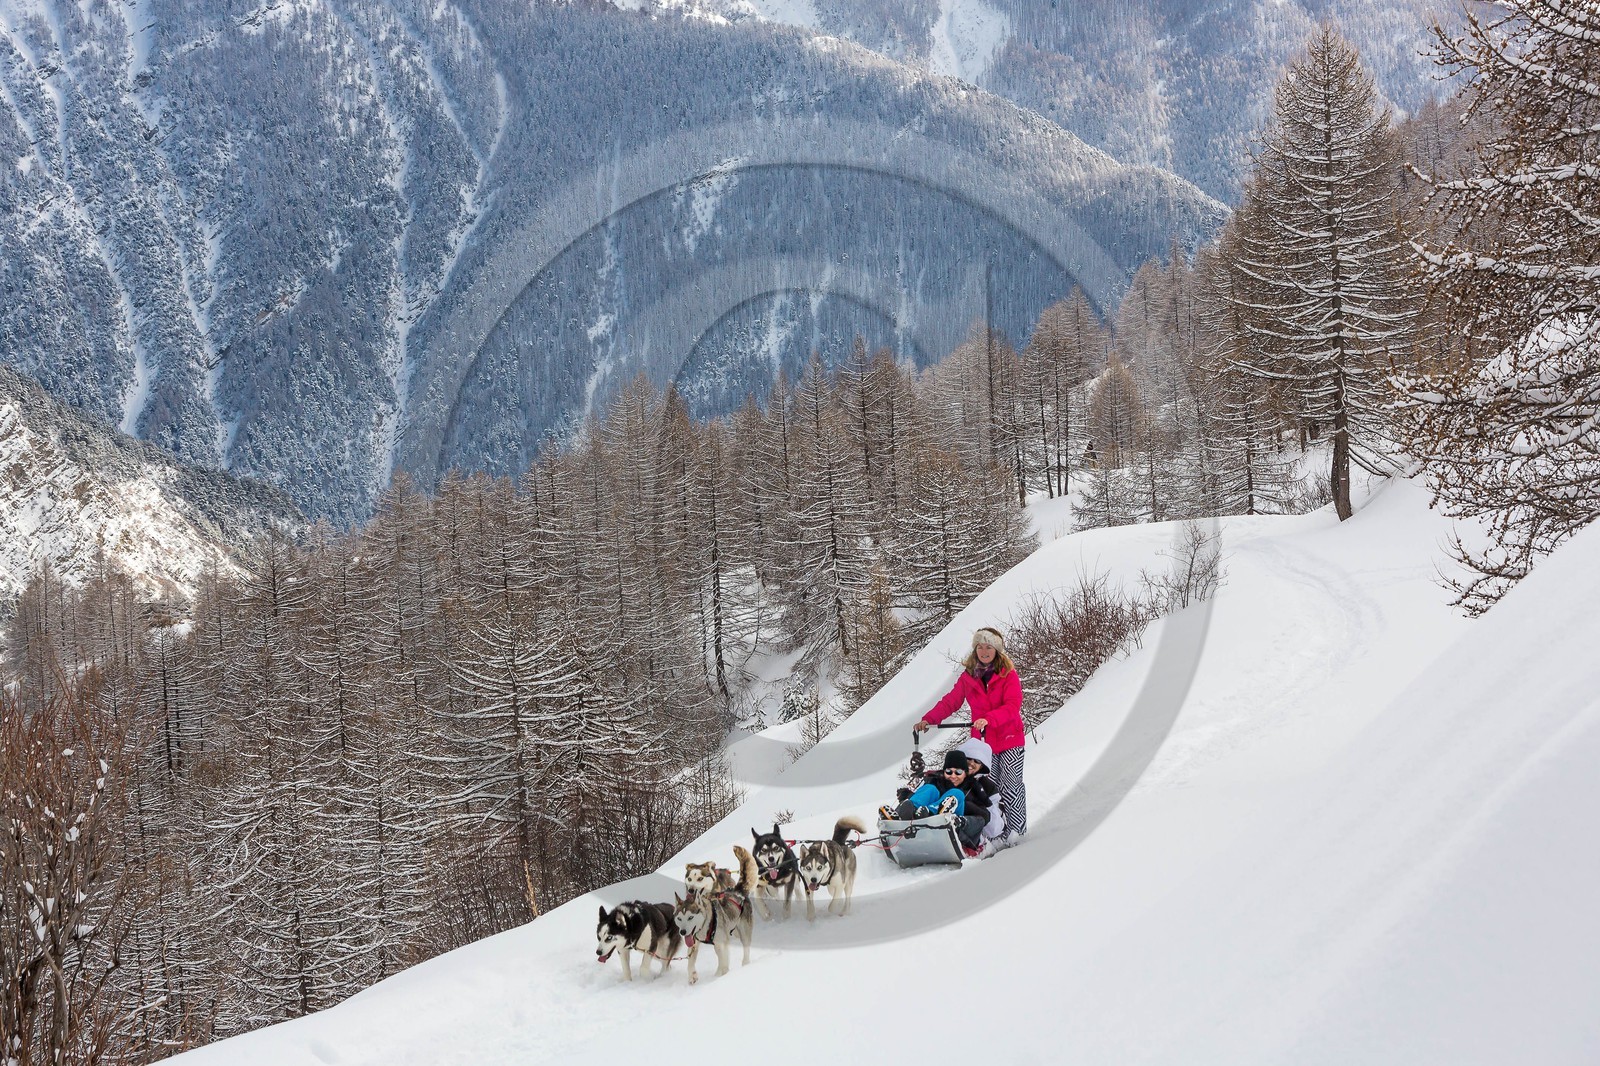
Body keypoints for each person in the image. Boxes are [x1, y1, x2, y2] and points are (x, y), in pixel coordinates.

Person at [917, 627, 1027, 850]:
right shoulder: (968, 677)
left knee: (1011, 785)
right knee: (988, 789)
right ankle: (995, 831)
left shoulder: (1008, 675)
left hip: (1010, 738)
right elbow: (951, 701)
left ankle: (1016, 830)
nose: (984, 651)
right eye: (980, 647)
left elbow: (1012, 706)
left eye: (989, 647)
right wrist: (928, 719)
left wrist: (989, 719)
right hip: (983, 745)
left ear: (997, 650)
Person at [878, 750, 991, 850]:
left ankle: (934, 814)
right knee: (930, 789)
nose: (953, 776)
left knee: (957, 794)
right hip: (922, 821)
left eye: (958, 772)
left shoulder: (972, 789)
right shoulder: (936, 782)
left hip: (955, 829)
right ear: (944, 771)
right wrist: (906, 796)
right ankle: (900, 819)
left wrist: (966, 809)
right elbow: (921, 794)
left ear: (965, 773)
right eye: (949, 771)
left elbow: (984, 816)